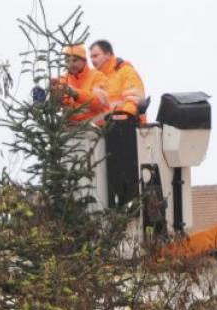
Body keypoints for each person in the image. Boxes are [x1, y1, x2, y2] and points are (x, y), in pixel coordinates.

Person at [89, 39, 146, 209]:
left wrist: (120, 117)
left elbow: (133, 100)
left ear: (108, 54)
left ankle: (127, 204)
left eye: (96, 55)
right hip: (103, 135)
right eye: (90, 56)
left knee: (124, 178)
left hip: (125, 132)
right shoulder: (96, 79)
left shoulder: (125, 72)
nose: (92, 60)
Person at [51, 44, 108, 124]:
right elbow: (55, 109)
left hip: (92, 126)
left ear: (84, 60)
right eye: (67, 61)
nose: (71, 64)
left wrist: (75, 93)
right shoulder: (62, 80)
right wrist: (54, 95)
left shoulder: (98, 76)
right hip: (68, 128)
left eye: (75, 60)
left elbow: (99, 103)